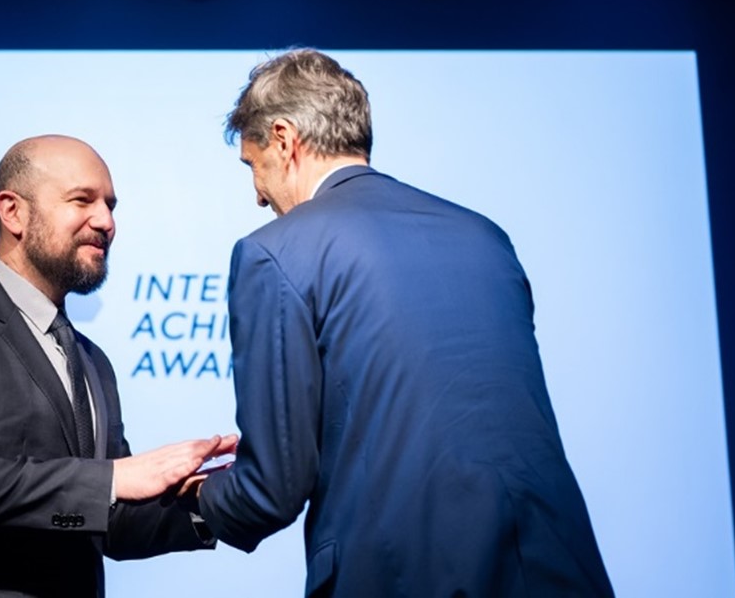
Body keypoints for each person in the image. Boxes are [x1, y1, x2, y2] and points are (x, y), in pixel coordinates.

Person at [190, 48, 614, 596]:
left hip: (400, 574)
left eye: (254, 167)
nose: (257, 196)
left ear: (285, 138)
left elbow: (272, 489)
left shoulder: (274, 253)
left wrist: (193, 500)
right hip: (557, 568)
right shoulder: (485, 236)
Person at [0, 134, 235, 597]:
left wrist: (218, 501)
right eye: (82, 200)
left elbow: (105, 518)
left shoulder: (92, 360)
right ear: (13, 212)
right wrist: (113, 478)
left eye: (110, 205)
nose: (105, 221)